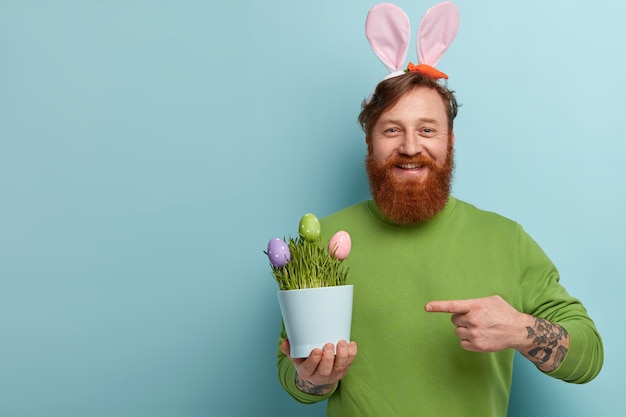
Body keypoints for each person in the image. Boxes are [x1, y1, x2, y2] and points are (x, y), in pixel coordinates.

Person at [276, 4, 603, 416]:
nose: (411, 147)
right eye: (392, 129)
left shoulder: (506, 240)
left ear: (450, 141)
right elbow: (292, 377)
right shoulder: (321, 240)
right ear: (369, 143)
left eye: (427, 130)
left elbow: (589, 357)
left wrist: (520, 330)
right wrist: (313, 378)